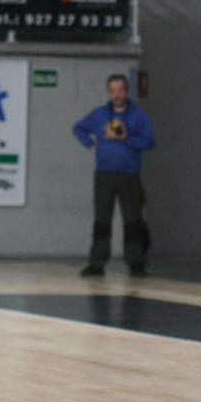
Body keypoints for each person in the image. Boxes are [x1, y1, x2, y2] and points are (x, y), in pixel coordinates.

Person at [73, 74, 156, 278]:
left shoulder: (139, 115)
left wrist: (127, 138)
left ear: (126, 91)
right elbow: (78, 128)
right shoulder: (100, 114)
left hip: (129, 174)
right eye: (113, 91)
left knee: (132, 220)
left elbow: (149, 142)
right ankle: (97, 263)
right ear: (109, 92)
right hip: (104, 174)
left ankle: (135, 262)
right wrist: (90, 143)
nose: (117, 94)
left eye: (120, 90)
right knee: (102, 219)